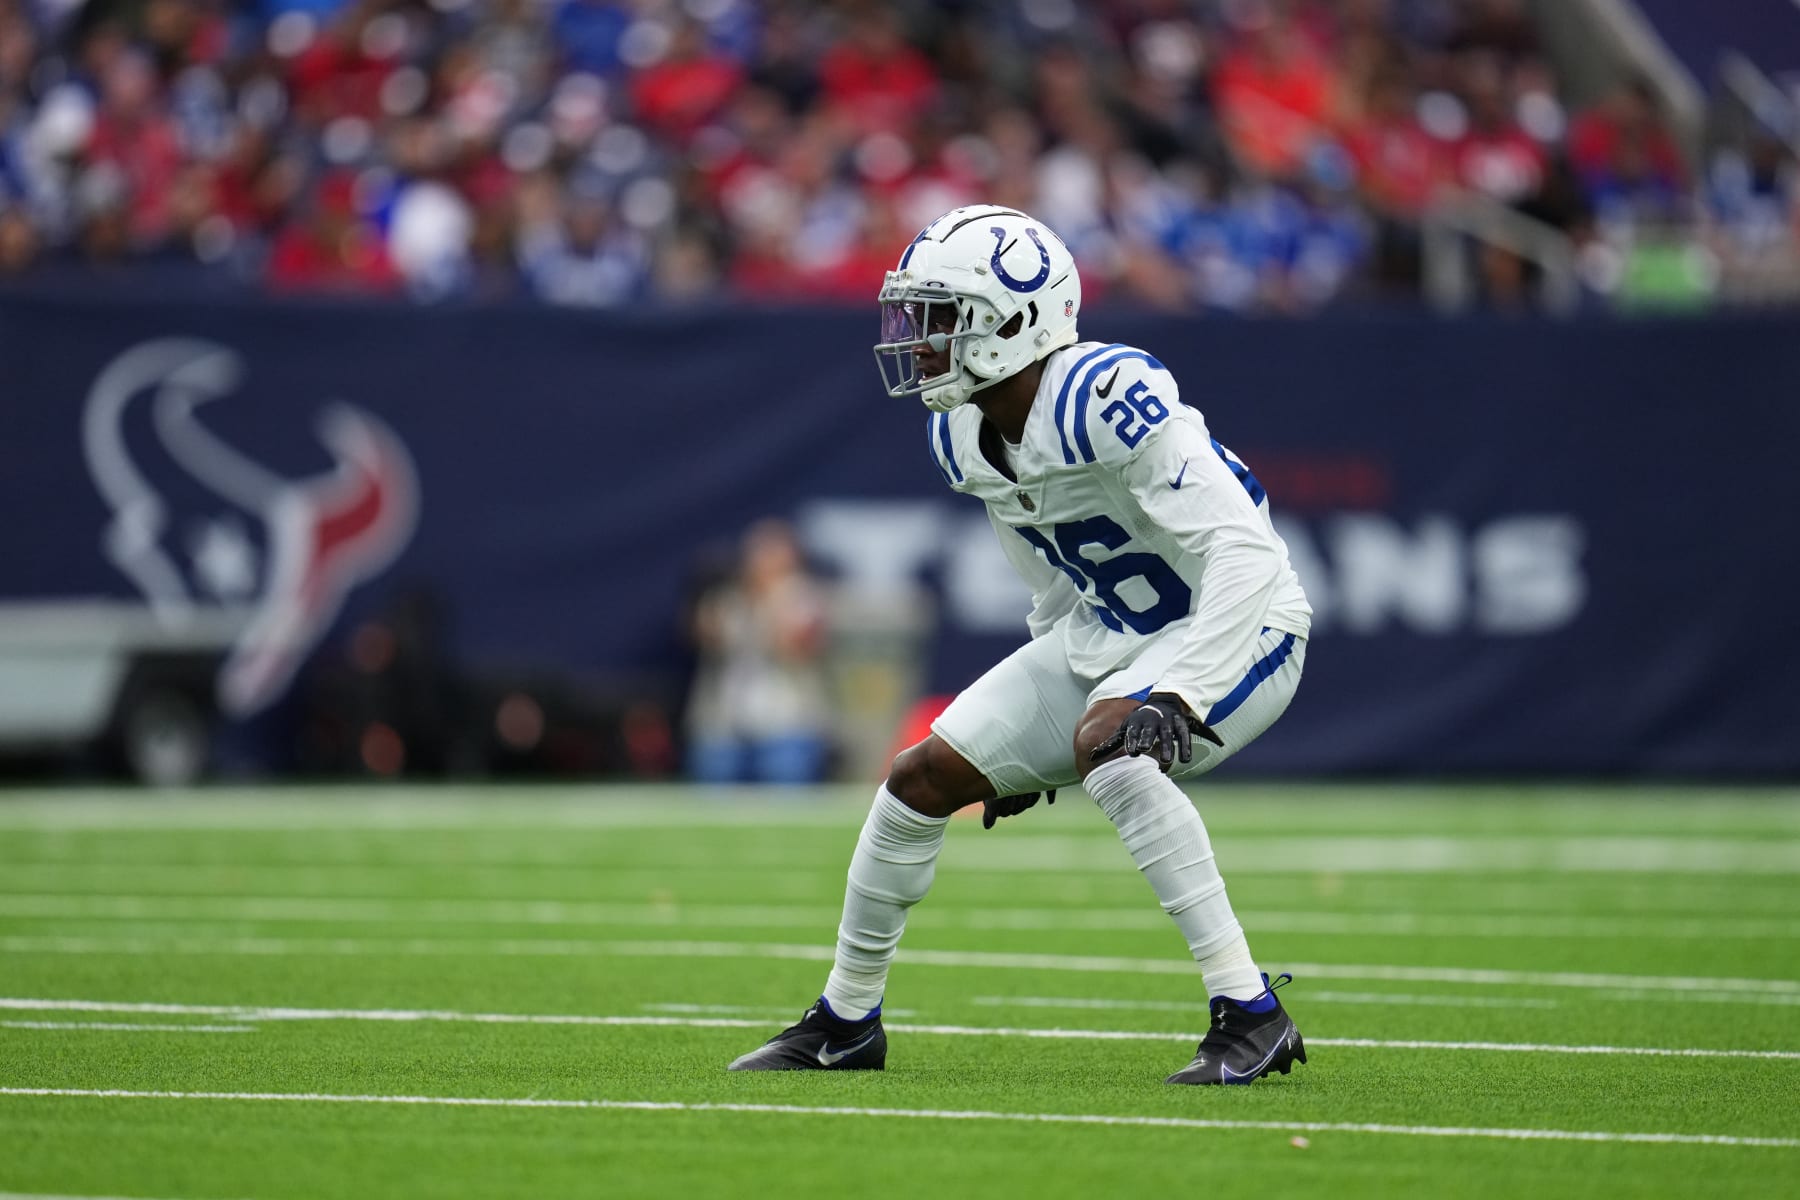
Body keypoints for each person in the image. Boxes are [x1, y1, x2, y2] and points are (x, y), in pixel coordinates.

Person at [727, 205, 1313, 1085]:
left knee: (1114, 750)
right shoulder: (959, 428)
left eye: (941, 316)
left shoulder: (1105, 394)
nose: (919, 340)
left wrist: (1178, 692)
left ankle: (1250, 1012)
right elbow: (1051, 580)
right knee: (920, 778)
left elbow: (1245, 551)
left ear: (1012, 323)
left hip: (1239, 623)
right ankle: (847, 1020)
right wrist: (1026, 751)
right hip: (1107, 634)